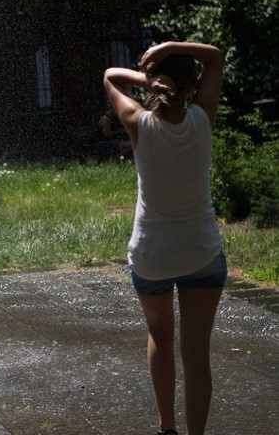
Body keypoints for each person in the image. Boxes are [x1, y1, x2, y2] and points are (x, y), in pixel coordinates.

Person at [103, 41, 225, 435]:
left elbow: (110, 76)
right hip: (201, 252)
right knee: (197, 356)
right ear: (194, 86)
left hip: (152, 255)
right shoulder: (203, 117)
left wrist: (151, 78)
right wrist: (171, 50)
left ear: (158, 83)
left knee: (160, 336)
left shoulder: (138, 122)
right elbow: (215, 56)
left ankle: (167, 427)